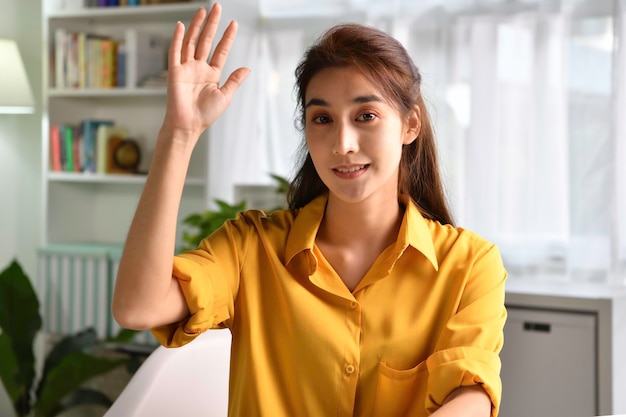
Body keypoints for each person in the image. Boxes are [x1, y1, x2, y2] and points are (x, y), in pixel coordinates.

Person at [112, 3, 507, 417]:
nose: (343, 144)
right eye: (322, 119)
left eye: (366, 115)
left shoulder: (469, 265)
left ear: (410, 125)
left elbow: (471, 398)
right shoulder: (252, 249)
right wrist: (179, 134)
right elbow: (139, 308)